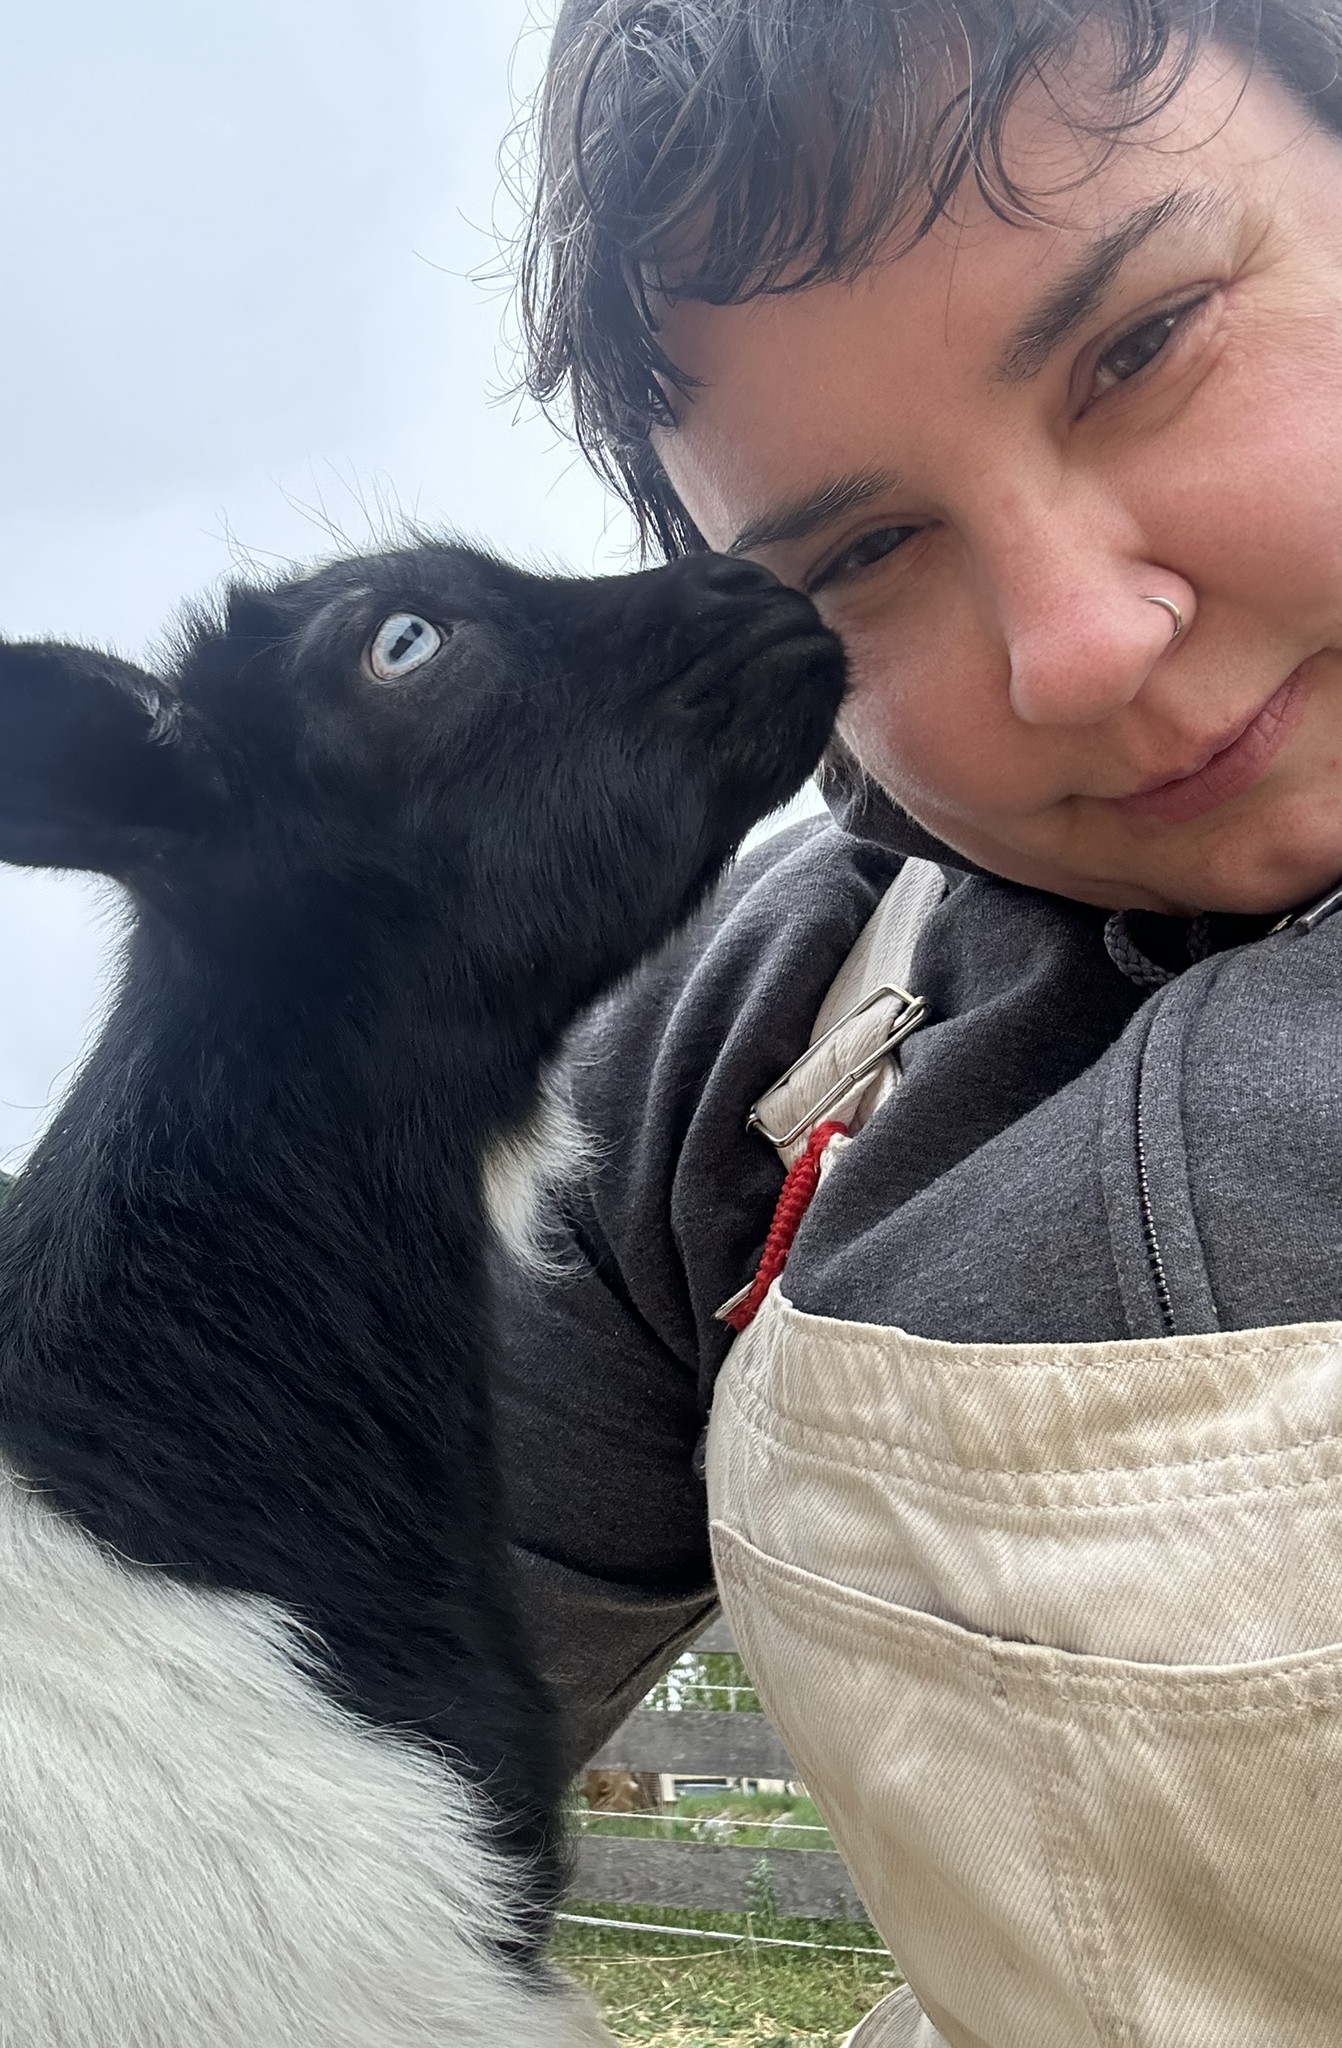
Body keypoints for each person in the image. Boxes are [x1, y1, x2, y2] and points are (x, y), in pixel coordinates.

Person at [497, 2, 1342, 2041]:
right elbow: (190, 1689)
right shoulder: (741, 1059)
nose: (1076, 645)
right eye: (866, 552)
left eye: (1143, 345)